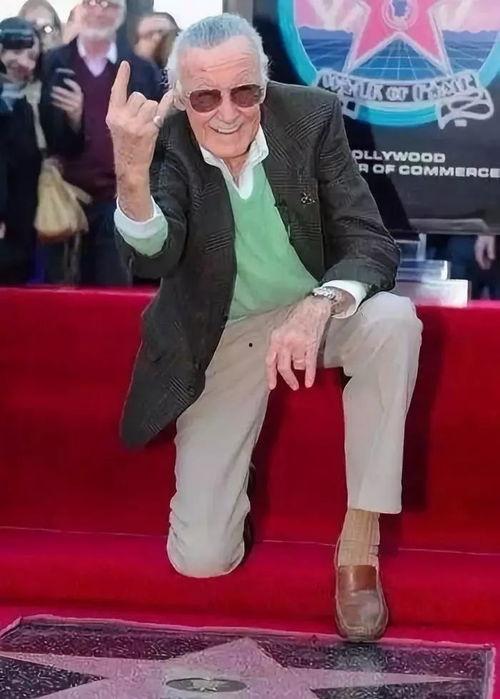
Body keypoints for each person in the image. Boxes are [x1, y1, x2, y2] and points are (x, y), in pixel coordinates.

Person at [107, 14, 423, 642]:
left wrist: (320, 303)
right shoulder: (165, 139)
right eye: (205, 97)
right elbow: (154, 258)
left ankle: (358, 547)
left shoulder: (310, 117)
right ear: (181, 98)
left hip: (318, 314)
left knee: (393, 320)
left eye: (244, 91)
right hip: (221, 331)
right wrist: (131, 176)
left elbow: (370, 241)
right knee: (202, 559)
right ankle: (232, 487)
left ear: (265, 82)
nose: (227, 113)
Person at [40, 0, 162, 286]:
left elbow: (155, 135)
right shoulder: (52, 62)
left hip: (118, 202)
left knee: (113, 295)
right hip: (63, 200)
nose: (98, 10)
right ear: (78, 8)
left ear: (121, 13)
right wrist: (74, 120)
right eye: (91, 2)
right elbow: (46, 137)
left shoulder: (142, 70)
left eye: (109, 4)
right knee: (58, 298)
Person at [0, 18, 44, 284]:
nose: (24, 62)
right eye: (15, 51)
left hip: (21, 234)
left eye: (32, 56)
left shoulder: (23, 105)